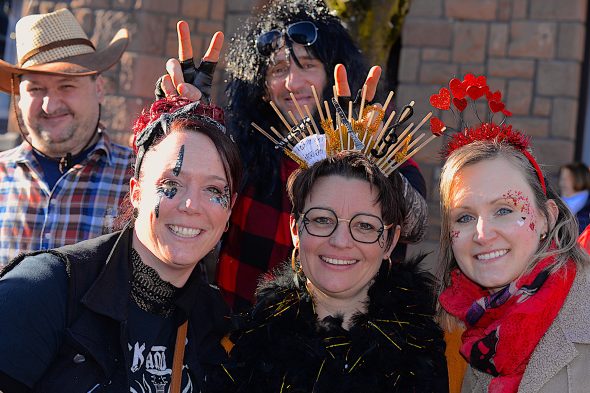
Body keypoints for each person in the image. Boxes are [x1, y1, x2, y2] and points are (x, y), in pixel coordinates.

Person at [160, 0, 428, 310]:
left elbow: (415, 225)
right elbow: (177, 202)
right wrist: (190, 126)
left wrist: (371, 164)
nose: (293, 83)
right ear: (261, 87)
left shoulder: (379, 148)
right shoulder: (236, 152)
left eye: (308, 65)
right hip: (240, 338)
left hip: (348, 346)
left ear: (333, 75)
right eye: (279, 69)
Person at [0, 97, 242, 392]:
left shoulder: (216, 323)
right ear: (136, 193)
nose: (191, 205)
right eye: (171, 185)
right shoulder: (45, 287)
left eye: (214, 190)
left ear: (229, 210)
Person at [205, 96, 447, 390]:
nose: (340, 241)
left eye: (364, 226)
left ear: (390, 241)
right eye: (321, 220)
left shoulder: (437, 355)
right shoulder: (238, 348)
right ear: (295, 228)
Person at [436, 95, 590, 390]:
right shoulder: (456, 331)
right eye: (465, 217)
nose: (482, 234)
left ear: (546, 216)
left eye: (504, 210)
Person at [0, 9, 133, 267]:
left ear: (99, 89)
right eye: (35, 89)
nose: (49, 106)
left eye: (66, 85)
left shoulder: (139, 179)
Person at [559, 162, 590, 233]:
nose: (563, 181)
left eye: (568, 177)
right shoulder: (554, 201)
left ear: (580, 178)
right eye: (562, 177)